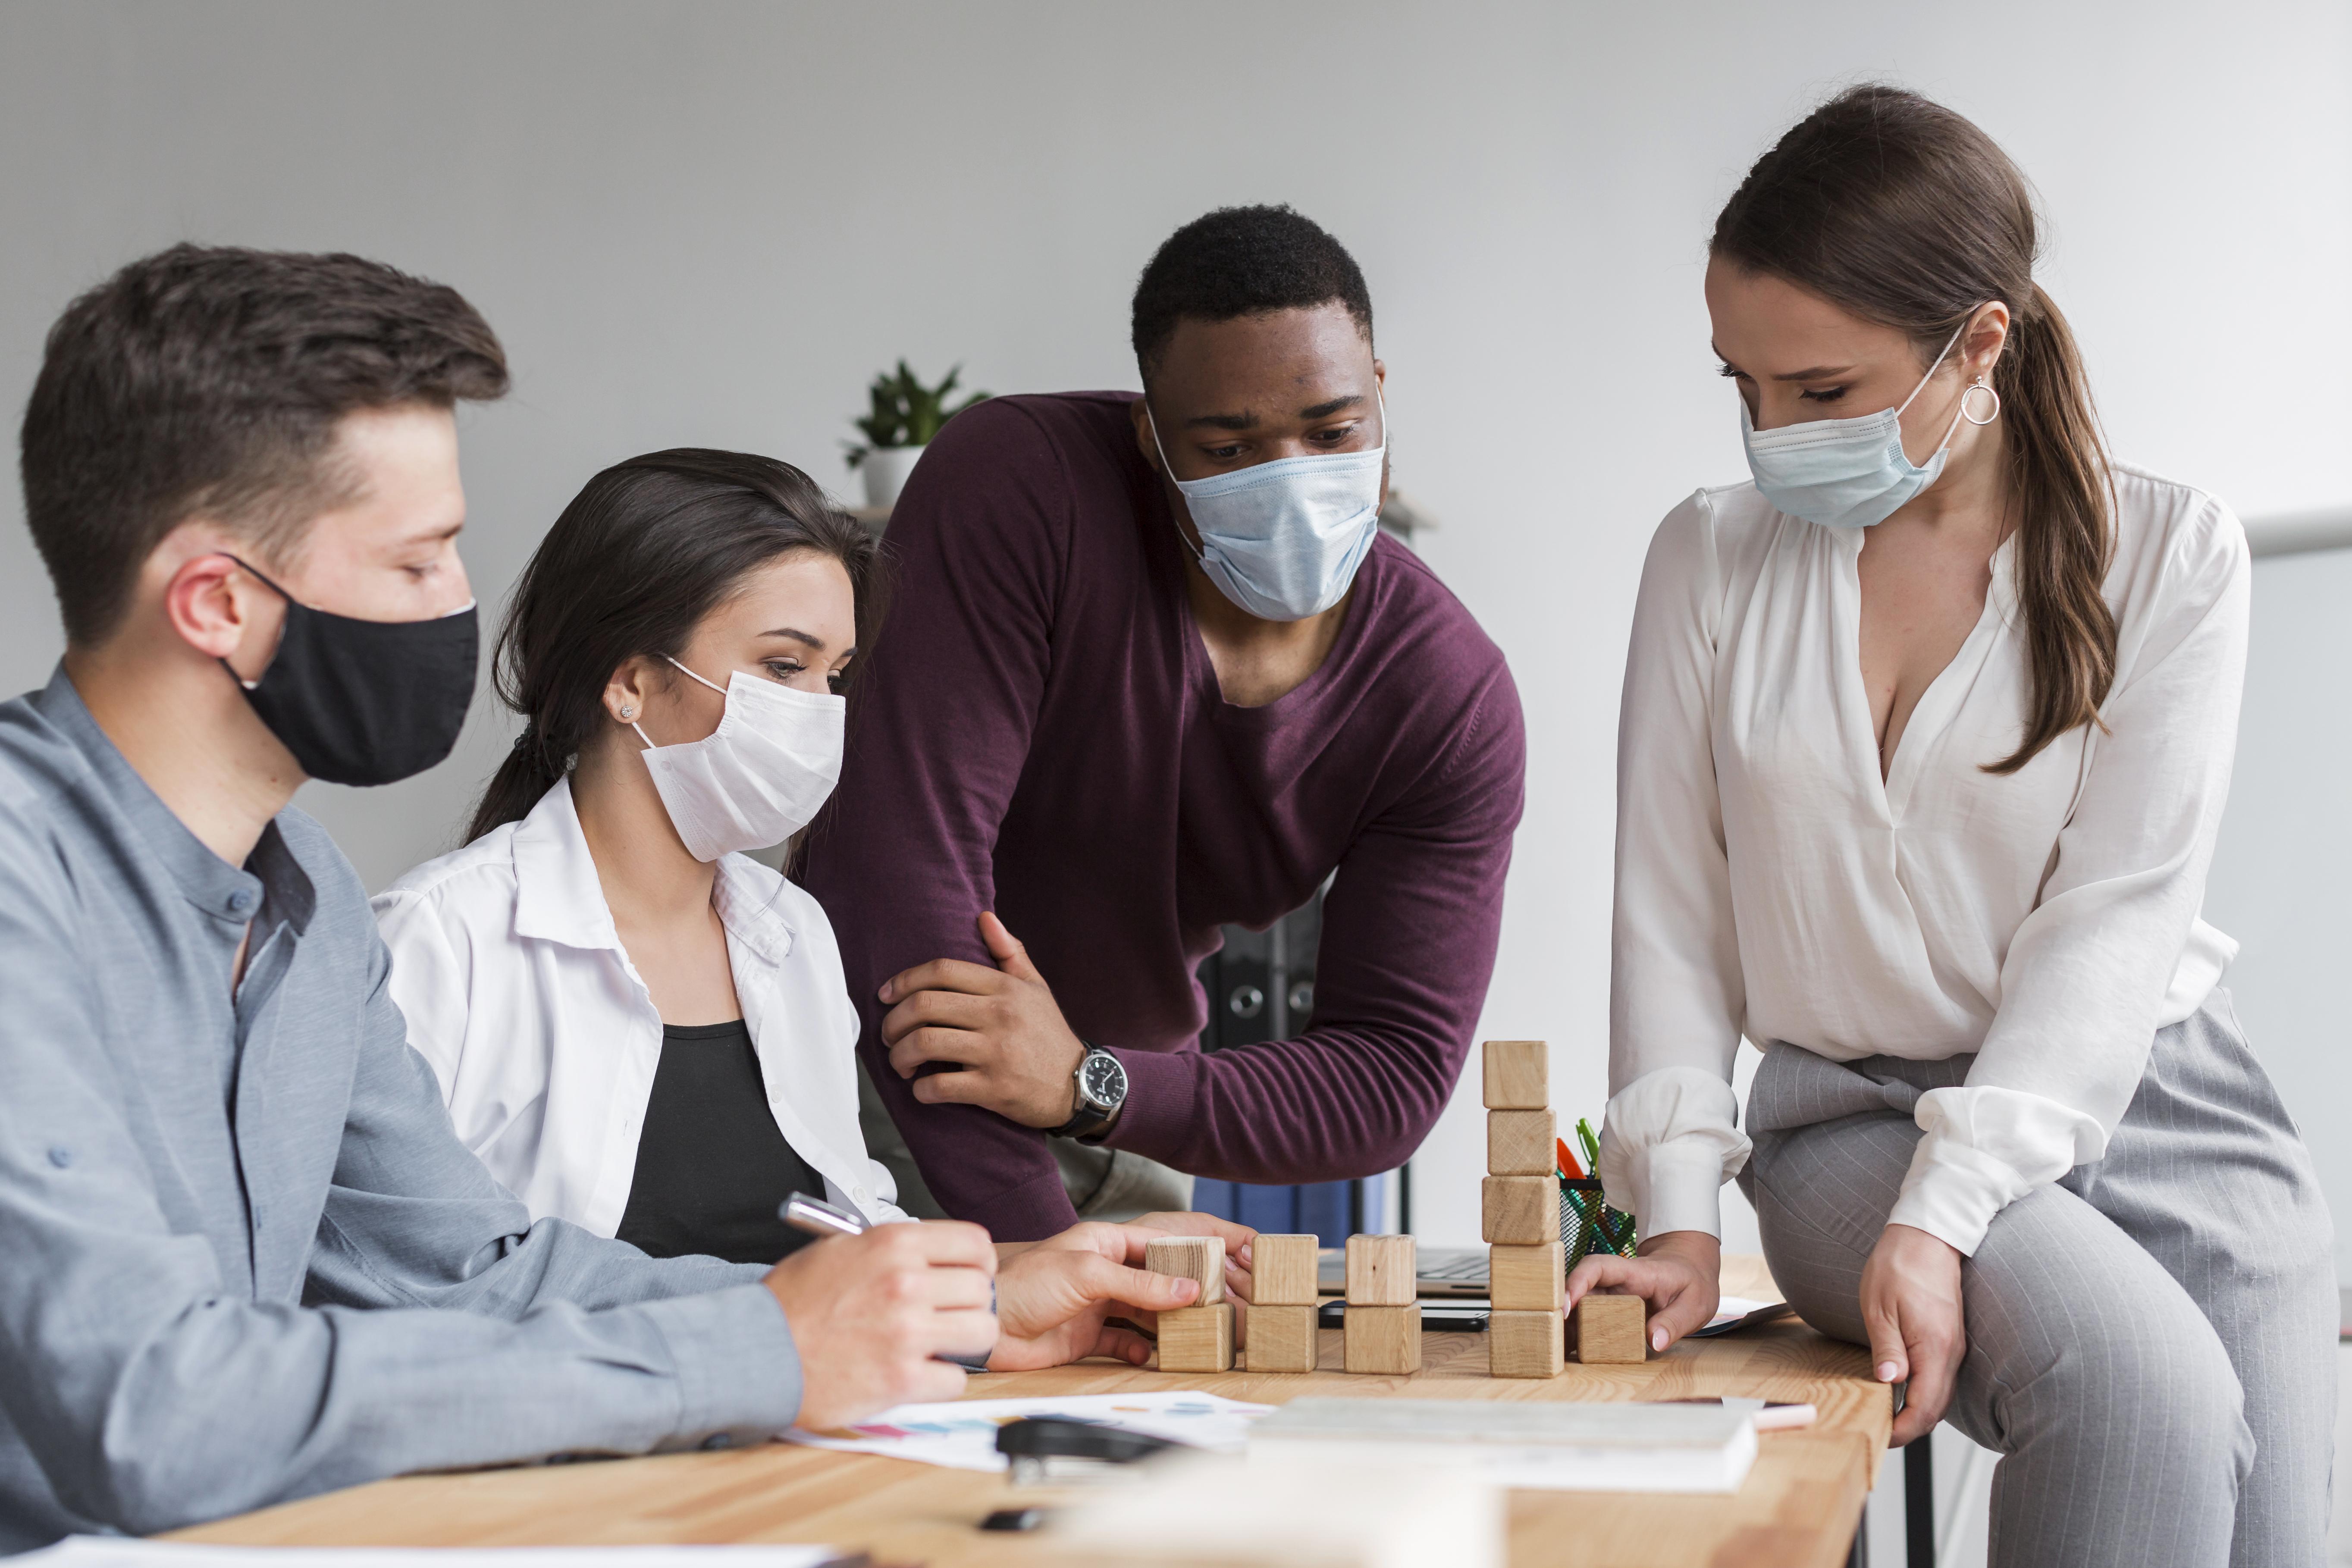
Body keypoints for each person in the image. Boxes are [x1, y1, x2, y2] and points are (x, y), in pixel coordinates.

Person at [0, 245, 1201, 1552]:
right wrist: (751, 1351)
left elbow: (478, 1270)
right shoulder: (23, 881)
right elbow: (152, 1406)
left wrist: (938, 1312)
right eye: (418, 565)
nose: (461, 610)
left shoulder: (306, 904)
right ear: (217, 600)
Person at [1575, 87, 2334, 1568]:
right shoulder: (1709, 558)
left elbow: (2114, 924)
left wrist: (1960, 1209)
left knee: (2279, 1536)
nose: (1768, 431)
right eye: (1741, 384)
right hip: (1851, 1115)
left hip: (2166, 1111)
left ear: (1975, 344)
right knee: (2144, 1396)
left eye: (1819, 389)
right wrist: (1673, 1214)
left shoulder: (2172, 555)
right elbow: (1668, 914)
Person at [371, 447, 1251, 1347]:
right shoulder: (438, 946)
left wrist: (1047, 1275)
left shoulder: (789, 932)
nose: (821, 710)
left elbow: (854, 1243)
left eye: (836, 673)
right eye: (784, 667)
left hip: (810, 1443)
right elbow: (430, 1288)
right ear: (631, 681)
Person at [798, 205, 1526, 1239]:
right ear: (1152, 437)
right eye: (1229, 447)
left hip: (1112, 1134)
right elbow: (894, 875)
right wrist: (1044, 1248)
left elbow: (1390, 1079)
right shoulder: (1025, 485)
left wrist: (1091, 1092)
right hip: (872, 1101)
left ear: (1379, 394)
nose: (1289, 482)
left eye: (1331, 433)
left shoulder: (1447, 699)